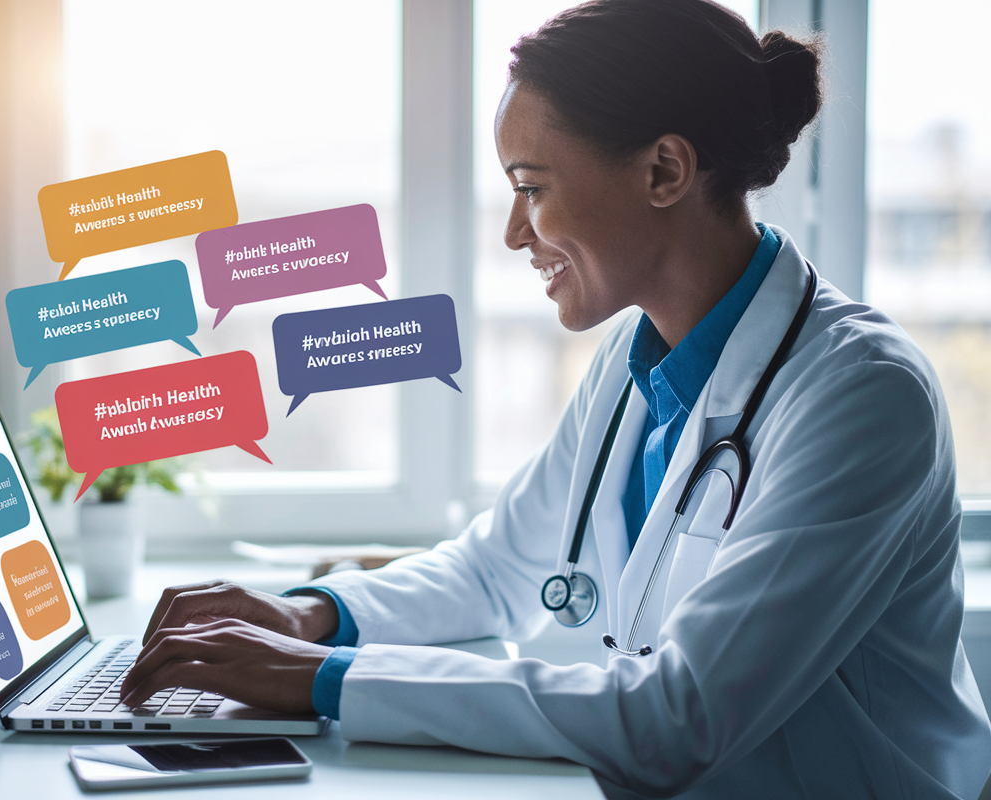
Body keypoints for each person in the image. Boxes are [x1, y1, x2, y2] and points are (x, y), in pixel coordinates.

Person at [120, 0, 991, 796]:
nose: (512, 233)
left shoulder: (861, 396)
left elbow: (677, 714)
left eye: (532, 188)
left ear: (663, 171)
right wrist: (312, 614)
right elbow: (497, 569)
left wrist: (318, 678)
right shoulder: (635, 361)